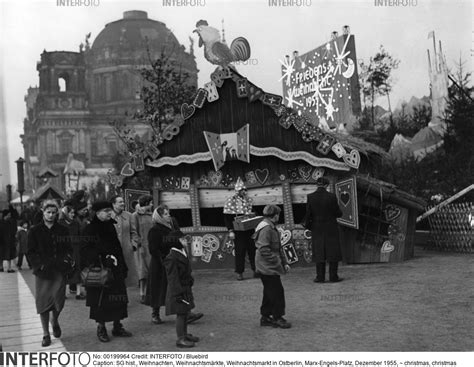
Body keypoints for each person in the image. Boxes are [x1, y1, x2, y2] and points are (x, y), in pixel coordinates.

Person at [81, 200, 132, 343]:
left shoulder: (110, 226)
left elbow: (117, 247)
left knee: (118, 297)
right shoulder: (90, 229)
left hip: (115, 269)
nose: (110, 213)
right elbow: (85, 250)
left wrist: (122, 265)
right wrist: (102, 258)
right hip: (100, 271)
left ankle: (117, 325)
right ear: (97, 213)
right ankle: (101, 327)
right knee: (101, 301)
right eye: (106, 211)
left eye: (110, 210)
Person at [27, 200, 73, 347]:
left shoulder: (63, 230)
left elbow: (68, 248)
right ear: (43, 211)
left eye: (54, 213)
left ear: (57, 213)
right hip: (43, 272)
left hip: (59, 270)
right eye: (48, 212)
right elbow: (30, 251)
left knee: (59, 301)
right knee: (43, 303)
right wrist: (38, 266)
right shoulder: (35, 230)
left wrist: (66, 261)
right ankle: (46, 334)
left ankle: (55, 320)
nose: (51, 215)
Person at [253, 205, 291, 329]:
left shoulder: (269, 226)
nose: (279, 216)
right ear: (275, 215)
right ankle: (277, 317)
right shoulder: (267, 229)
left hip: (268, 265)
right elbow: (264, 249)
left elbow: (277, 248)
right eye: (278, 214)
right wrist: (278, 261)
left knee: (269, 291)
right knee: (277, 291)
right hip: (266, 266)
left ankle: (265, 317)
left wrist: (284, 262)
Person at [163, 230, 200, 348]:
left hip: (185, 287)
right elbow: (172, 278)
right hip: (177, 290)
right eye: (182, 239)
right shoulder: (171, 257)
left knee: (185, 312)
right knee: (180, 314)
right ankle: (180, 338)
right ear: (175, 241)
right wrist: (177, 293)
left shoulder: (182, 251)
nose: (185, 241)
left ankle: (185, 334)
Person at [304, 177, 343, 283]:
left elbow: (308, 215)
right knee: (332, 252)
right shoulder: (332, 196)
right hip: (331, 227)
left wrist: (308, 226)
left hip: (317, 228)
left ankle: (320, 277)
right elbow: (338, 213)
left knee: (319, 251)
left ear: (317, 185)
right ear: (326, 185)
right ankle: (333, 277)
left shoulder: (310, 197)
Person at [223, 177, 257, 281]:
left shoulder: (248, 200)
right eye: (242, 190)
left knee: (253, 251)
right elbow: (227, 218)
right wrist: (230, 231)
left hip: (249, 229)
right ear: (238, 191)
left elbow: (253, 214)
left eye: (245, 190)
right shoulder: (231, 201)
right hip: (238, 231)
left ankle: (256, 270)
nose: (244, 192)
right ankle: (239, 272)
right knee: (240, 252)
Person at [110, 195, 139, 288]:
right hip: (112, 251)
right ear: (113, 204)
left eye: (123, 201)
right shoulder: (108, 215)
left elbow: (134, 232)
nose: (123, 203)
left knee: (125, 277)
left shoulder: (129, 216)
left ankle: (123, 299)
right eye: (120, 202)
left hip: (127, 251)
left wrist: (133, 245)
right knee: (113, 276)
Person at [58, 202, 85, 299]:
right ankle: (63, 293)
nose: (73, 215)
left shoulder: (75, 223)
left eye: (73, 213)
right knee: (65, 270)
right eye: (71, 213)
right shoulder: (60, 223)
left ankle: (78, 293)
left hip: (76, 249)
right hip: (65, 250)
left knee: (77, 268)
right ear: (66, 213)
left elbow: (80, 235)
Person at [132, 194, 154, 303]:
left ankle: (150, 292)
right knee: (142, 271)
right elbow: (133, 231)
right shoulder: (136, 215)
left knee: (151, 269)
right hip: (141, 247)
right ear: (146, 203)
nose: (152, 204)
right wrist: (138, 243)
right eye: (151, 202)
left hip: (151, 246)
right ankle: (142, 293)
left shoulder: (152, 215)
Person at [1, 207, 18, 273]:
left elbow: (13, 231)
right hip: (4, 241)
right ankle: (4, 268)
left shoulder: (9, 222)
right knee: (4, 255)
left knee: (8, 255)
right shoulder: (6, 222)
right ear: (5, 215)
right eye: (9, 215)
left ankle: (6, 268)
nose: (10, 216)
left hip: (8, 241)